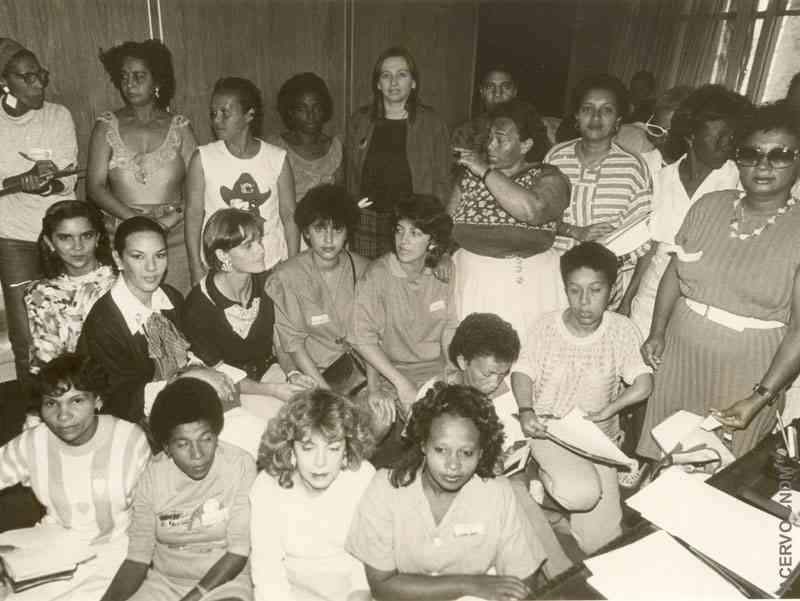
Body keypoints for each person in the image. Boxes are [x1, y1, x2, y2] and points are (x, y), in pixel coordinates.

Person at [637, 102, 800, 459]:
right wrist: (658, 331)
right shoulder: (709, 205)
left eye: (780, 155)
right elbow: (674, 274)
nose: (763, 164)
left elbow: (799, 332)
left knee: (718, 472)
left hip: (750, 369)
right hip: (680, 354)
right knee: (666, 457)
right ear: (737, 159)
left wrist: (760, 398)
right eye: (752, 153)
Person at [511, 242, 653, 554]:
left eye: (595, 290)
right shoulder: (546, 325)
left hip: (596, 441)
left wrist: (610, 410)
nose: (584, 302)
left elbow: (643, 383)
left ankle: (553, 519)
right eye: (574, 290)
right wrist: (525, 410)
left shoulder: (622, 329)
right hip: (549, 432)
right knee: (581, 495)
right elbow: (523, 371)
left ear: (612, 291)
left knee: (605, 545)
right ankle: (536, 473)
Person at [346, 383, 543, 601]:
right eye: (441, 450)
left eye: (466, 453)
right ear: (423, 444)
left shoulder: (498, 493)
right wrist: (469, 584)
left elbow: (521, 579)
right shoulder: (385, 488)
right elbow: (382, 586)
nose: (453, 465)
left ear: (481, 453)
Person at [418, 312, 574, 579]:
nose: (495, 382)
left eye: (503, 374)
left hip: (515, 481)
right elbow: (425, 461)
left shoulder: (510, 396)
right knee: (511, 494)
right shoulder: (435, 394)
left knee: (513, 493)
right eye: (488, 373)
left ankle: (549, 567)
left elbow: (523, 446)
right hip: (457, 489)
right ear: (462, 361)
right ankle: (561, 575)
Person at [0, 354, 150, 600]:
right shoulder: (34, 442)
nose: (63, 416)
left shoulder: (130, 441)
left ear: (97, 400)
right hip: (50, 549)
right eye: (51, 403)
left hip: (116, 554)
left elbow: (148, 521)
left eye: (76, 401)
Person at [100, 377, 256, 601]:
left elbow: (238, 552)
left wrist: (193, 598)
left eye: (206, 438)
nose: (198, 454)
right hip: (163, 584)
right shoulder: (152, 476)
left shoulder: (239, 465)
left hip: (224, 583)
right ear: (167, 447)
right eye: (183, 444)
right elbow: (138, 557)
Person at [627, 85, 748, 336]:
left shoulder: (738, 180)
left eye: (731, 137)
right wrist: (627, 300)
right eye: (719, 137)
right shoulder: (662, 179)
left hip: (702, 302)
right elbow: (650, 252)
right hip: (649, 299)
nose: (727, 145)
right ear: (691, 136)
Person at [450, 99, 568, 338]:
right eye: (490, 137)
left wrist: (485, 172)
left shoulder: (547, 176)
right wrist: (440, 254)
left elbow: (533, 211)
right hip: (474, 284)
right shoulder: (470, 176)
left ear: (525, 145)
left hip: (530, 287)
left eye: (500, 139)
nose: (490, 145)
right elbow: (445, 224)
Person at [88, 40, 197, 294]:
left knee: (176, 308)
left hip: (174, 235)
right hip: (122, 232)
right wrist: (136, 219)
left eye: (139, 76)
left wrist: (170, 219)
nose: (130, 84)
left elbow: (200, 186)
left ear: (157, 80)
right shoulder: (106, 125)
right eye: (124, 77)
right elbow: (94, 187)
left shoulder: (180, 126)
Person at [350, 195, 457, 455]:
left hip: (434, 372)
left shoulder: (444, 271)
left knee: (448, 425)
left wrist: (452, 371)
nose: (403, 240)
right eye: (399, 230)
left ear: (432, 241)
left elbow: (449, 328)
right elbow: (363, 339)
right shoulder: (378, 275)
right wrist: (383, 386)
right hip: (390, 372)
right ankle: (353, 472)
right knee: (378, 419)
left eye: (415, 233)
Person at [249, 388, 376, 601]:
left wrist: (359, 594)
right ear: (290, 450)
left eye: (333, 448)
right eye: (308, 448)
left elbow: (367, 559)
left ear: (346, 450)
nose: (320, 462)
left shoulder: (362, 477)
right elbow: (267, 571)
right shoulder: (266, 487)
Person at [0, 37, 78, 380]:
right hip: (14, 238)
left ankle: (77, 403)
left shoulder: (58, 115)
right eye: (26, 77)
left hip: (60, 235)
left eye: (40, 75)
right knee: (25, 336)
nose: (38, 83)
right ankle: (34, 412)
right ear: (4, 81)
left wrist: (48, 182)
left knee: (67, 326)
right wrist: (19, 181)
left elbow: (69, 180)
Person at [546, 74, 652, 309]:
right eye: (587, 109)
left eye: (606, 110)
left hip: (603, 289)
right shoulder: (555, 158)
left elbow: (642, 236)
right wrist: (574, 231)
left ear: (618, 121)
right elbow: (537, 217)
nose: (595, 117)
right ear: (576, 116)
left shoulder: (633, 167)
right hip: (552, 278)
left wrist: (605, 270)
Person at [183, 208, 312, 400]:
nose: (261, 250)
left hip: (271, 375)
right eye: (248, 246)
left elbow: (279, 339)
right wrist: (273, 390)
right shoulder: (198, 305)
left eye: (259, 241)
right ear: (222, 255)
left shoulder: (268, 284)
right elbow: (217, 373)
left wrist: (292, 374)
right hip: (226, 390)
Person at [185, 77, 298, 285]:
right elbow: (193, 216)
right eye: (213, 113)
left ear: (249, 115)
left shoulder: (277, 158)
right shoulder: (203, 158)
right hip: (221, 267)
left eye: (225, 113)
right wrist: (195, 267)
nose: (216, 120)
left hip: (269, 264)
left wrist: (292, 264)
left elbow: (290, 217)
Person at [78, 216, 189, 423]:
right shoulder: (104, 322)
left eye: (160, 255)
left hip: (180, 400)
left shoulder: (171, 297)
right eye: (138, 257)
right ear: (118, 259)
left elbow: (189, 354)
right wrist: (189, 381)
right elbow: (119, 400)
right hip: (127, 420)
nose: (152, 267)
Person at [346, 46, 451, 258]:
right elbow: (348, 173)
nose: (393, 83)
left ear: (413, 83)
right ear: (378, 83)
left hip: (412, 223)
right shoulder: (360, 121)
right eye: (386, 75)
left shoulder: (432, 123)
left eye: (401, 75)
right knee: (367, 284)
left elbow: (443, 180)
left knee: (406, 284)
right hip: (367, 219)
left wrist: (436, 231)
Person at [267, 185, 370, 390]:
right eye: (320, 229)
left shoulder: (366, 269)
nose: (328, 239)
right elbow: (293, 344)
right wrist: (326, 392)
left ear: (348, 231)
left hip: (363, 369)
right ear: (306, 231)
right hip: (312, 374)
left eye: (337, 229)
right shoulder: (286, 277)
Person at [25, 201, 116, 372]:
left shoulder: (121, 282)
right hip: (73, 387)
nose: (78, 246)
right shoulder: (39, 293)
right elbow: (46, 360)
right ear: (49, 242)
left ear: (97, 238)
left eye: (86, 235)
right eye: (65, 237)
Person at [267, 73, 343, 203]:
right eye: (302, 109)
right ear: (290, 112)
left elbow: (341, 198)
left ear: (324, 109)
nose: (310, 115)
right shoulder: (275, 147)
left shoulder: (335, 148)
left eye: (316, 107)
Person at [451, 65, 527, 154]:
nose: (497, 93)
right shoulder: (466, 132)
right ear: (482, 92)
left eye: (505, 87)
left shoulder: (530, 130)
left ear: (514, 92)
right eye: (490, 87)